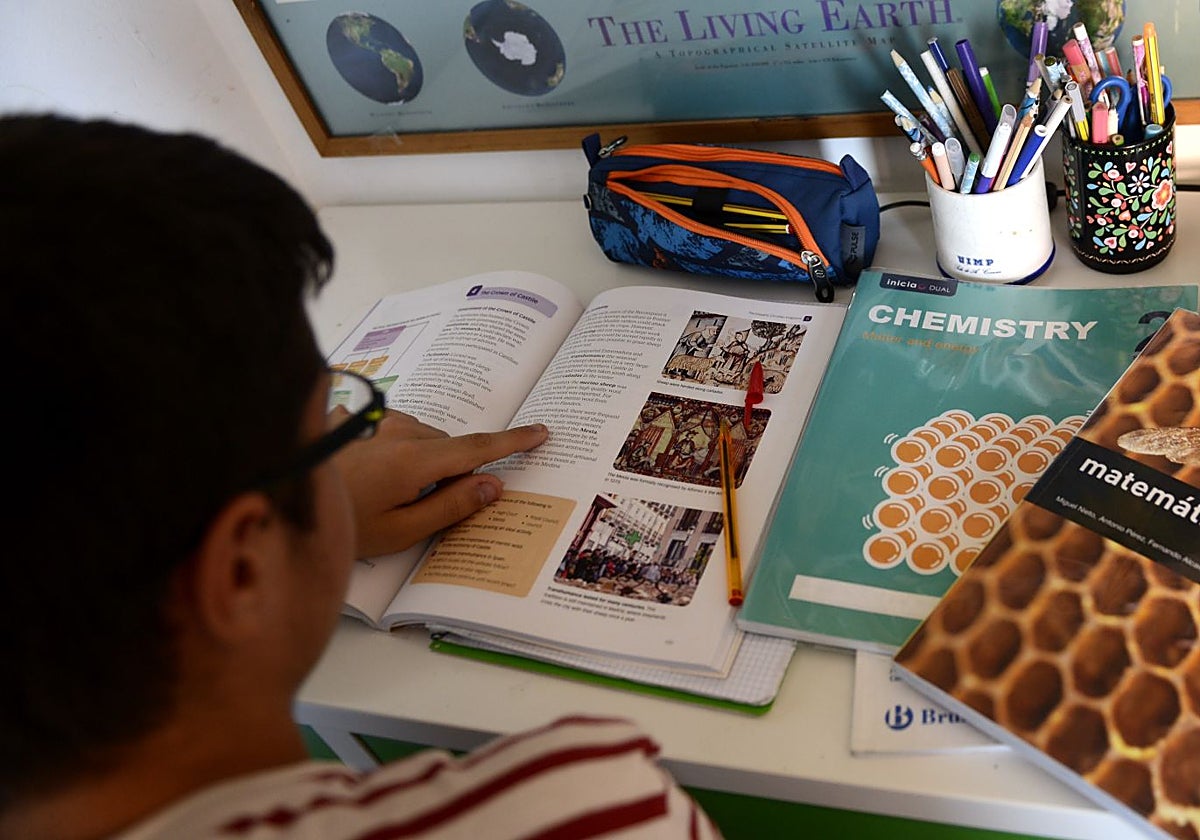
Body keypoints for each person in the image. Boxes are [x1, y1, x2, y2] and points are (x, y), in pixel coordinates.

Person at [0, 115, 720, 840]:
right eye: (332, 422)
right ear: (241, 569)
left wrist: (304, 508)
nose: (348, 447)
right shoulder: (600, 814)